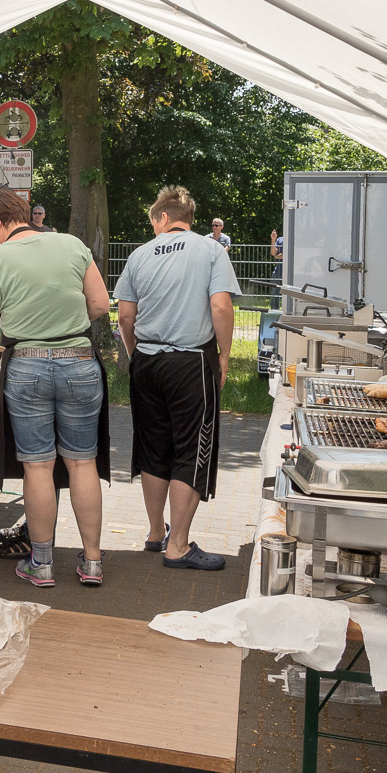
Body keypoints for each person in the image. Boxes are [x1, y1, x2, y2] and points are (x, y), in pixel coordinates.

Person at [0, 185, 111, 588]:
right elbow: (101, 305)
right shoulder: (72, 246)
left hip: (27, 368)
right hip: (79, 362)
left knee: (38, 466)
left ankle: (41, 564)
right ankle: (92, 563)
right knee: (82, 462)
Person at [113, 186, 239, 571]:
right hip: (190, 364)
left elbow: (124, 316)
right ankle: (178, 546)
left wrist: (136, 355)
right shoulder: (211, 250)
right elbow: (220, 305)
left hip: (147, 362)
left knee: (153, 449)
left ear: (162, 218)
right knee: (190, 450)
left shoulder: (138, 255)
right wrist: (224, 354)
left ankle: (155, 533)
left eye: (153, 221)